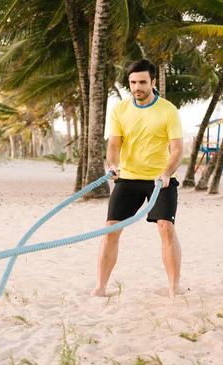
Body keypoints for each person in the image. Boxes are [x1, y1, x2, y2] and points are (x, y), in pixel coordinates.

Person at [91, 59, 184, 298]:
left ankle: (174, 288)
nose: (137, 87)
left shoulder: (168, 110)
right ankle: (100, 288)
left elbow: (177, 150)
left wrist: (166, 173)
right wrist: (112, 165)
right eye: (133, 82)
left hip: (159, 180)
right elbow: (113, 144)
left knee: (166, 228)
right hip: (128, 179)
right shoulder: (120, 110)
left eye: (142, 82)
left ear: (152, 82)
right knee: (111, 229)